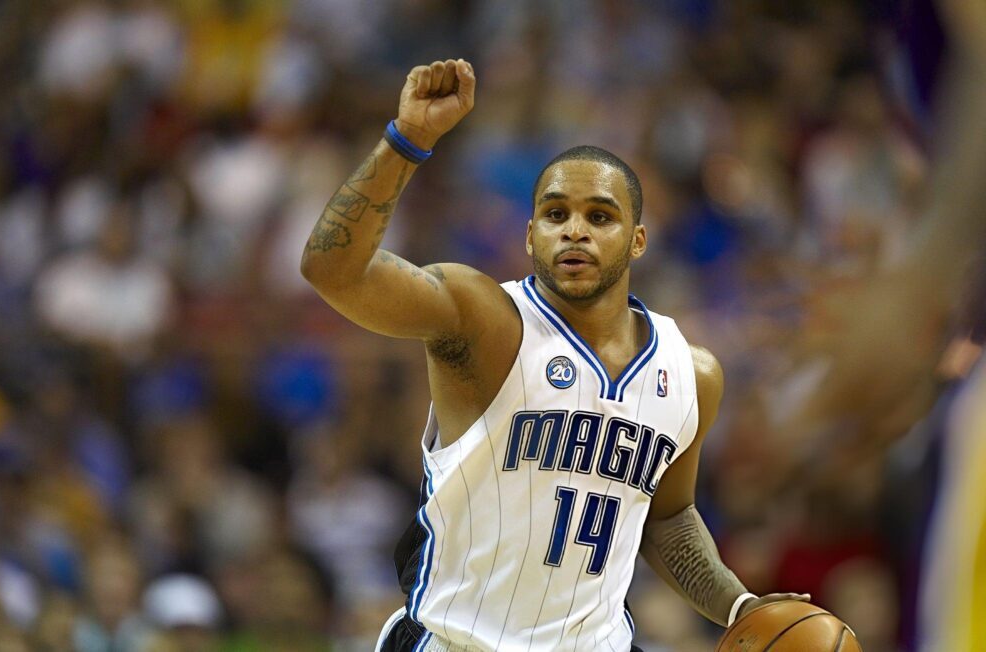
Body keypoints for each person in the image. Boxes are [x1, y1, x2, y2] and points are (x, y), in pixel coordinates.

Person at [300, 59, 807, 651]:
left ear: (637, 239)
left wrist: (740, 603)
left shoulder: (691, 373)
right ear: (529, 234)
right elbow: (332, 270)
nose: (574, 230)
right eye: (555, 214)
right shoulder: (482, 317)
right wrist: (407, 141)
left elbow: (667, 519)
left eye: (600, 216)